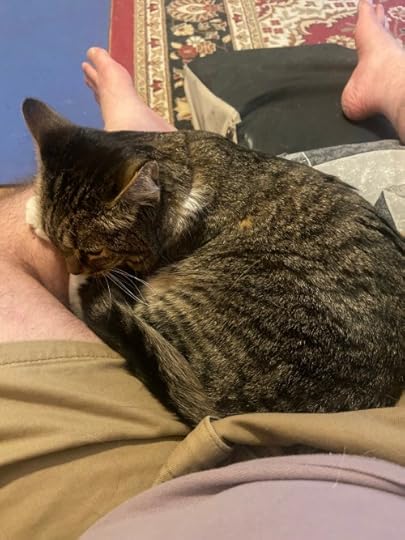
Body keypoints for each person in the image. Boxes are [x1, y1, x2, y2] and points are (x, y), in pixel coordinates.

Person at [0, 1, 404, 539]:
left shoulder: (156, 212)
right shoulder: (188, 194)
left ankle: (136, 133)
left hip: (282, 391)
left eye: (89, 255)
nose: (78, 265)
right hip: (367, 345)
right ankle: (144, 134)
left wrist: (94, 281)